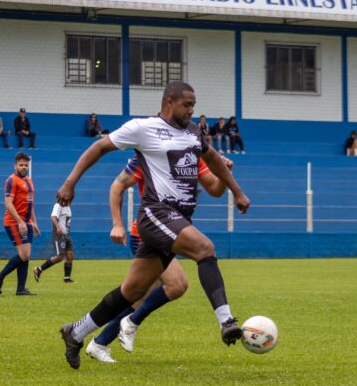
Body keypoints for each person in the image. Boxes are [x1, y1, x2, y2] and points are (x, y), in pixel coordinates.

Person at [56, 80, 251, 370]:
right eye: (187, 105)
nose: (191, 111)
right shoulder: (143, 129)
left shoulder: (193, 134)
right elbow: (99, 148)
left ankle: (77, 332)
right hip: (155, 214)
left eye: (194, 106)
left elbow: (214, 162)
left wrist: (236, 190)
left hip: (177, 219)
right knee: (204, 248)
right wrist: (70, 182)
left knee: (132, 291)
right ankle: (226, 321)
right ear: (169, 102)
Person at [86, 154, 233, 363]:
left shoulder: (193, 157)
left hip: (170, 232)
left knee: (138, 299)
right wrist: (117, 223)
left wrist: (224, 171)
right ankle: (130, 323)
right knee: (176, 284)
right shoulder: (150, 155)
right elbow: (116, 186)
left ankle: (99, 342)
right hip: (147, 235)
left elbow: (216, 189)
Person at [0, 152, 40, 296]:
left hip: (27, 223)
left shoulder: (30, 181)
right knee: (24, 255)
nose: (24, 167)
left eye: (26, 165)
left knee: (26, 255)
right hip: (14, 222)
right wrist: (20, 222)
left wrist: (34, 222)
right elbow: (8, 204)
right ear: (15, 166)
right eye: (21, 165)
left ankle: (20, 289)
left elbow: (30, 203)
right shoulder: (11, 181)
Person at [33, 201, 75, 284]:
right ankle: (39, 269)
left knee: (70, 255)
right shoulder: (58, 205)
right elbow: (53, 217)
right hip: (59, 235)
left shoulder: (68, 207)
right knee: (59, 257)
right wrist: (58, 227)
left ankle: (67, 278)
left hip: (66, 234)